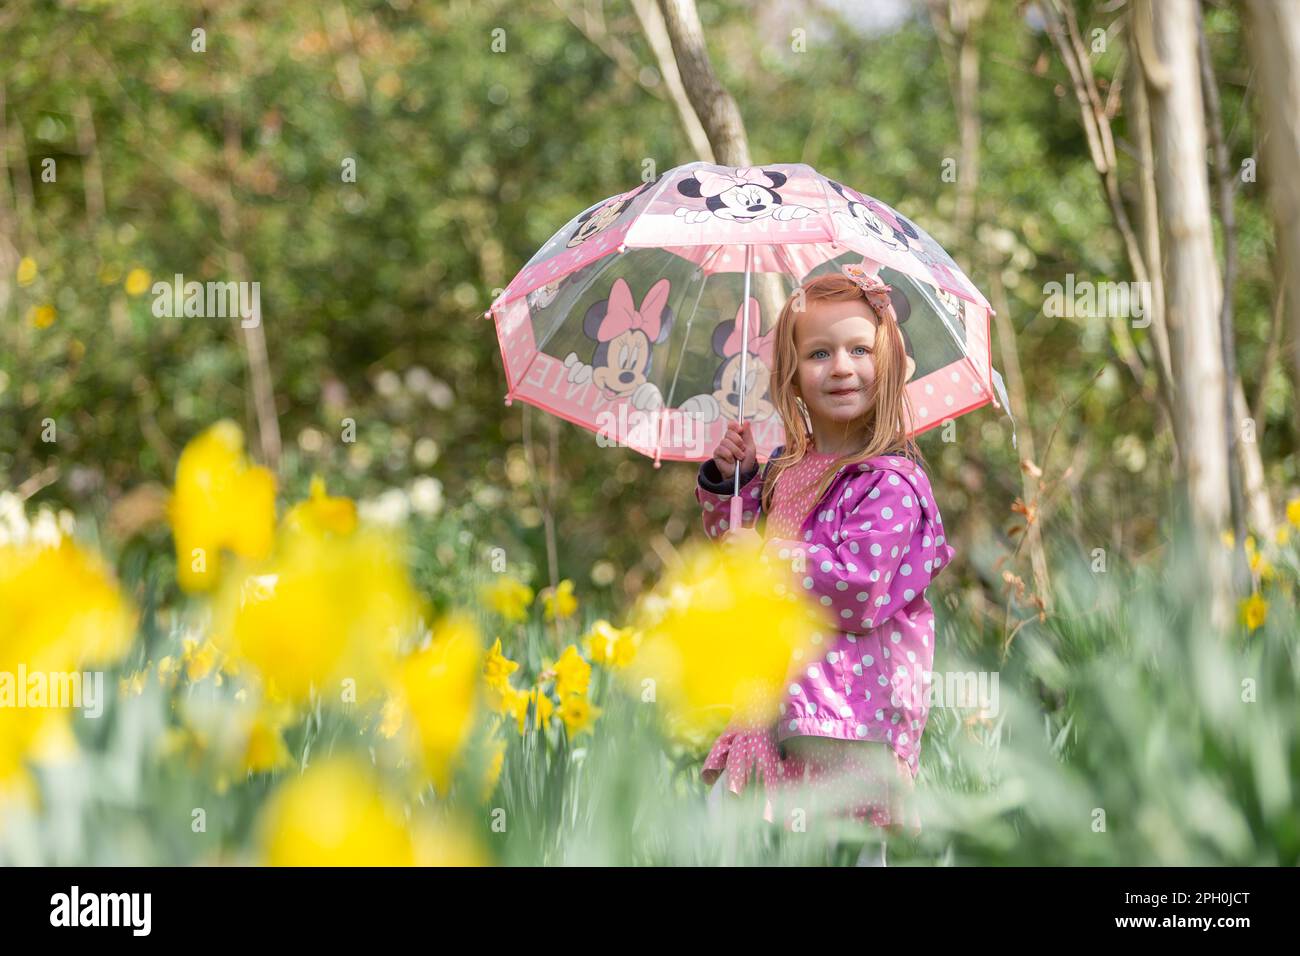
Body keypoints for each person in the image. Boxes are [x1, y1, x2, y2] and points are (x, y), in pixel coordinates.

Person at [695, 266, 957, 866]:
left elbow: (859, 592)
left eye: (859, 349)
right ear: (791, 376)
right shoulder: (788, 467)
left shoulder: (892, 482)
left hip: (848, 724)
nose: (841, 367)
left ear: (888, 364)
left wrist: (770, 558)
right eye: (819, 353)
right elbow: (739, 547)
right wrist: (731, 482)